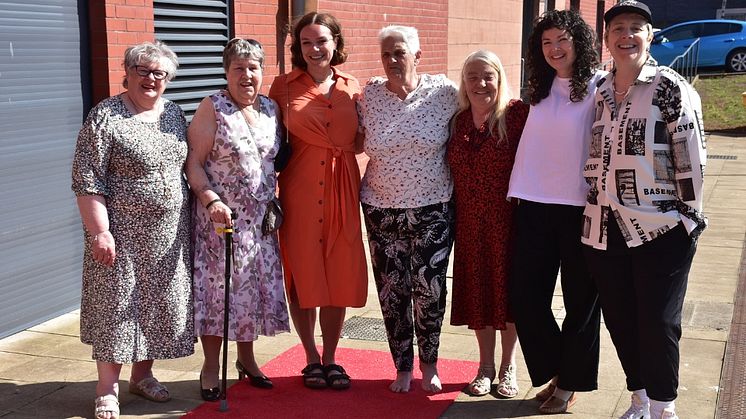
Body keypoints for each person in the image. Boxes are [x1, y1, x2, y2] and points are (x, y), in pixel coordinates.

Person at [582, 2, 706, 418]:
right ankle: (639, 399)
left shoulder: (669, 87)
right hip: (605, 226)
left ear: (650, 37)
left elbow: (691, 156)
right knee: (620, 319)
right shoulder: (599, 89)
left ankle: (663, 407)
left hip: (661, 227)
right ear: (607, 38)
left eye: (637, 28)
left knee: (659, 322)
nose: (627, 35)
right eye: (618, 28)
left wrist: (687, 219)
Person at [71, 41, 193, 419]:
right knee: (115, 307)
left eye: (160, 73)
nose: (151, 79)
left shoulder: (174, 113)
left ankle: (143, 375)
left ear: (169, 79)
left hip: (169, 235)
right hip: (120, 236)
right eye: (143, 70)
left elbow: (187, 166)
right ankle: (107, 388)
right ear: (127, 72)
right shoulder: (105, 116)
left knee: (160, 304)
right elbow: (87, 179)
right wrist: (100, 232)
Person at [506, 9, 605, 414]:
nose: (554, 49)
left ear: (579, 42)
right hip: (532, 203)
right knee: (525, 296)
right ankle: (558, 371)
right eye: (546, 42)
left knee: (581, 301)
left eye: (562, 39)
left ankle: (569, 384)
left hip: (580, 207)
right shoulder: (540, 88)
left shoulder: (600, 86)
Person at [185, 38, 291, 401]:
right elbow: (193, 163)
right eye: (238, 68)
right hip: (221, 222)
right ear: (226, 72)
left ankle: (246, 359)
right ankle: (211, 366)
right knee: (218, 294)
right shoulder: (211, 108)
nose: (247, 75)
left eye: (253, 67)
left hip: (258, 222)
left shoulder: (270, 108)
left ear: (263, 71)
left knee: (251, 291)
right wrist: (210, 199)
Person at [268, 12, 368, 390]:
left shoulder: (353, 86)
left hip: (343, 185)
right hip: (301, 189)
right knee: (303, 272)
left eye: (322, 41)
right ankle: (310, 356)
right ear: (298, 47)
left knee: (338, 272)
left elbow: (363, 136)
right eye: (306, 42)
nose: (314, 49)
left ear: (335, 43)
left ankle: (332, 357)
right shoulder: (283, 87)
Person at [358, 25, 458, 393]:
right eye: (386, 54)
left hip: (433, 207)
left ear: (418, 56)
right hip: (381, 209)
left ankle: (429, 363)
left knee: (428, 290)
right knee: (391, 291)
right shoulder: (369, 95)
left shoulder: (444, 93)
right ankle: (402, 367)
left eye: (399, 53)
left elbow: (483, 108)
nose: (392, 61)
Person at [447, 50, 529, 398]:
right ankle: (484, 367)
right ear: (464, 83)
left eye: (487, 76)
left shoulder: (516, 115)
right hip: (468, 223)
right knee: (479, 295)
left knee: (507, 297)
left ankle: (509, 368)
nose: (480, 84)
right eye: (472, 77)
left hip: (507, 223)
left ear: (499, 77)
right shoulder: (458, 121)